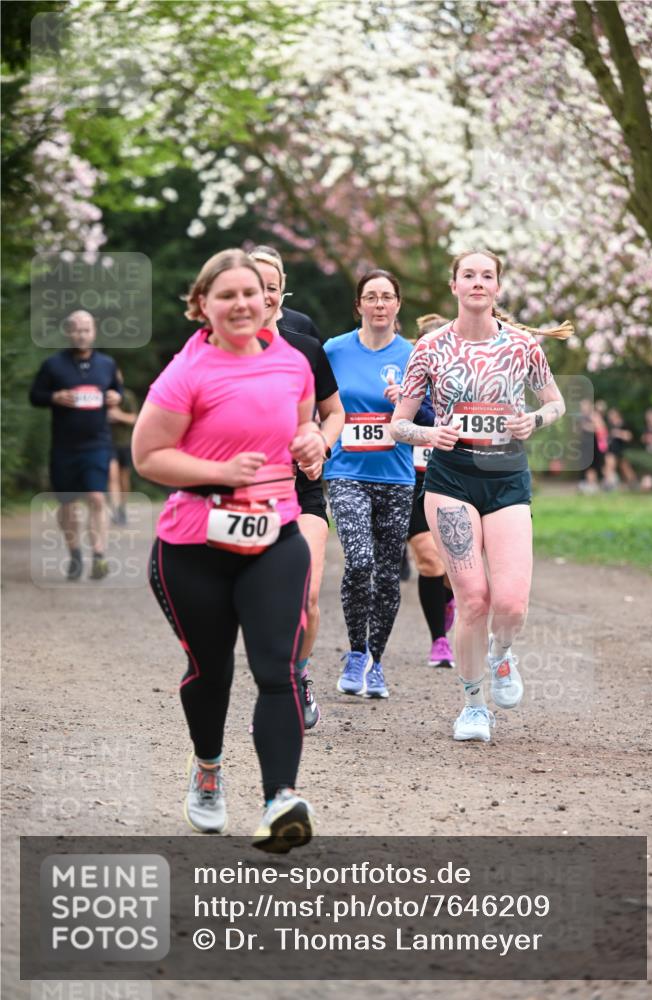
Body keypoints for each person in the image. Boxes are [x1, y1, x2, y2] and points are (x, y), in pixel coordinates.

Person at [132, 248, 327, 851]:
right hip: (195, 544)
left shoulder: (292, 362)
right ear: (203, 305)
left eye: (252, 292)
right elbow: (148, 456)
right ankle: (208, 768)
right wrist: (219, 473)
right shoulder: (186, 372)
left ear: (268, 299)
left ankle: (280, 802)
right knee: (211, 672)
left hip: (276, 536)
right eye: (228, 295)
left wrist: (310, 443)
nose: (243, 304)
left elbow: (301, 427)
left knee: (277, 670)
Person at [391, 250, 568, 742]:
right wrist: (431, 434)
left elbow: (556, 403)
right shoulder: (429, 347)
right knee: (473, 599)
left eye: (486, 275)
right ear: (454, 286)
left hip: (506, 475)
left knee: (510, 604)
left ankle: (501, 654)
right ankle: (473, 705)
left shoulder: (522, 346)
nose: (477, 282)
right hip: (451, 477)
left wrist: (533, 420)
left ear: (497, 287)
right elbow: (398, 424)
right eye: (468, 274)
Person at [249, 245, 345, 729]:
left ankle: (298, 677)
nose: (263, 296)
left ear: (281, 290)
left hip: (301, 487)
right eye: (254, 286)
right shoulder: (216, 350)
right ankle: (272, 688)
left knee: (305, 596)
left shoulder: (306, 348)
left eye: (272, 287)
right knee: (261, 600)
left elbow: (335, 412)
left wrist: (320, 446)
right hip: (246, 494)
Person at [324, 269, 417, 699]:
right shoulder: (334, 350)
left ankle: (376, 661)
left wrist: (407, 407)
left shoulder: (413, 354)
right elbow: (317, 405)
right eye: (371, 297)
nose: (379, 304)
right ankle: (356, 652)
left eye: (387, 297)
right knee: (360, 561)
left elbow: (433, 415)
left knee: (387, 573)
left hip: (396, 476)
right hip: (346, 472)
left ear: (397, 304)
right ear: (359, 304)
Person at [29, 309, 123, 581]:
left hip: (97, 443)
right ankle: (75, 555)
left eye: (86, 330)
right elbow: (35, 395)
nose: (82, 335)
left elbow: (116, 390)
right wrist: (54, 397)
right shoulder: (52, 365)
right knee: (67, 503)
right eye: (77, 330)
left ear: (94, 332)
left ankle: (99, 556)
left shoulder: (107, 364)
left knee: (97, 497)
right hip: (64, 447)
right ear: (68, 333)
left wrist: (115, 397)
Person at [406, 314, 457, 669]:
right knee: (429, 558)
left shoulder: (463, 382)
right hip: (414, 480)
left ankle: (449, 597)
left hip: (453, 479)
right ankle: (438, 640)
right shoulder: (407, 382)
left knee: (453, 564)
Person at [107, 369, 138, 525]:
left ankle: (122, 508)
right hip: (107, 443)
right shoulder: (102, 396)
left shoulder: (128, 396)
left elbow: (135, 419)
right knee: (112, 477)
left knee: (123, 477)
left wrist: (119, 416)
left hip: (125, 443)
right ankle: (115, 509)